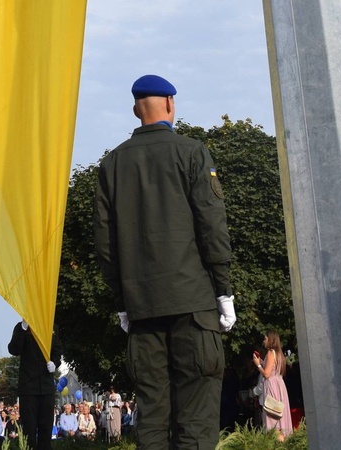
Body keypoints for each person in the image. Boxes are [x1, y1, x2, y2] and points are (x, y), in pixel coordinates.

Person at [93, 74, 235, 449]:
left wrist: (123, 302)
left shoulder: (111, 165)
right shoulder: (191, 152)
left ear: (136, 109)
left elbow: (105, 247)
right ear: (170, 104)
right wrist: (224, 291)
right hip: (194, 305)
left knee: (152, 420)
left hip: (142, 311)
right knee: (197, 420)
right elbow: (211, 226)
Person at [7, 320, 62, 450]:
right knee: (29, 430)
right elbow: (14, 349)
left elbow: (57, 350)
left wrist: (55, 363)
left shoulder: (52, 327)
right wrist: (23, 327)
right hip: (28, 388)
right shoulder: (21, 328)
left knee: (46, 429)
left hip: (47, 387)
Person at [252, 331, 292, 441]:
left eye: (265, 338)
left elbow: (266, 374)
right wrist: (261, 361)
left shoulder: (270, 353)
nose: (264, 341)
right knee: (279, 419)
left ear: (270, 340)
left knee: (273, 421)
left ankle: (278, 445)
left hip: (272, 387)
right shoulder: (279, 354)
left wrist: (258, 365)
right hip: (279, 386)